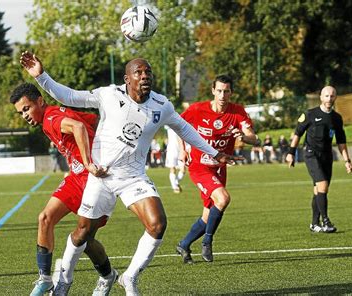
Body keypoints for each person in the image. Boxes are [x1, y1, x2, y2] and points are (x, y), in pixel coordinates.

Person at [20, 51, 240, 296]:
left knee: (157, 224)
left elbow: (185, 128)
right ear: (127, 78)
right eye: (139, 72)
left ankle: (129, 277)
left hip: (133, 176)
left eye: (148, 72)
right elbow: (69, 95)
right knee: (83, 234)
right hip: (101, 177)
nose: (145, 76)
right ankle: (64, 282)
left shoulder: (161, 105)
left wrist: (214, 152)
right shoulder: (109, 95)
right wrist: (41, 76)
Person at [9, 83, 111, 296]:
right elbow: (90, 121)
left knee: (86, 239)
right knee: (45, 218)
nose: (25, 116)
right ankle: (45, 278)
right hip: (76, 179)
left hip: (94, 181)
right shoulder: (52, 117)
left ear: (40, 101)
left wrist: (88, 162)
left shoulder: (51, 118)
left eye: (26, 109)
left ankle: (107, 277)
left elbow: (78, 127)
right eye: (21, 113)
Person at [175, 74, 257, 264]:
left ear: (231, 93)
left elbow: (253, 137)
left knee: (209, 214)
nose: (222, 95)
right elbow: (178, 126)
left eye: (226, 91)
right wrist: (182, 150)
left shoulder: (237, 112)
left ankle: (184, 244)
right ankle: (207, 241)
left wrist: (243, 137)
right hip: (199, 166)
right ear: (213, 91)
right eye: (219, 91)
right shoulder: (197, 109)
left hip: (219, 168)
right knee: (223, 198)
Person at [286, 86, 352, 233]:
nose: (329, 99)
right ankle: (326, 221)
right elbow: (298, 133)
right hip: (311, 154)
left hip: (327, 156)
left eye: (332, 96)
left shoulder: (336, 118)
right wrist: (291, 152)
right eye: (326, 96)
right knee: (322, 185)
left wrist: (347, 160)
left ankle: (314, 223)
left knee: (319, 190)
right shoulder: (310, 114)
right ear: (321, 97)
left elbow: (341, 141)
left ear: (335, 98)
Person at [164, 125, 186, 193]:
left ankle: (176, 182)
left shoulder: (181, 126)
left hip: (180, 150)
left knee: (183, 169)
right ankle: (175, 187)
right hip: (171, 150)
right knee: (172, 168)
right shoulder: (168, 125)